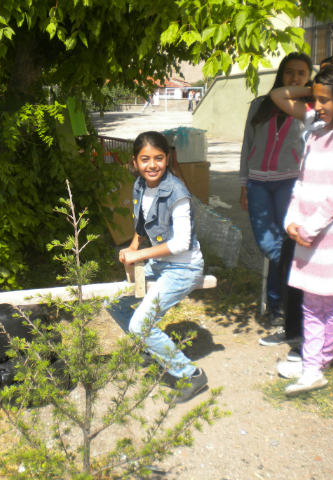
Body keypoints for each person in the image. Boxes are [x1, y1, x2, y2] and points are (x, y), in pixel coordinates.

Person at [269, 61, 333, 395]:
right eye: (316, 99)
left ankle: (321, 361)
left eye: (325, 100)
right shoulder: (315, 134)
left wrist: (309, 228)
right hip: (305, 235)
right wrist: (290, 222)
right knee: (311, 305)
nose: (318, 106)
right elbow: (301, 184)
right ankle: (312, 369)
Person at [105, 131, 208, 404]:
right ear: (135, 162)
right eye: (145, 159)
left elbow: (182, 243)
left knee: (140, 324)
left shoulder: (177, 192)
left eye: (159, 158)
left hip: (183, 268)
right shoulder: (140, 185)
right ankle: (151, 348)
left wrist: (143, 254)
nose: (152, 165)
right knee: (113, 303)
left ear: (168, 159)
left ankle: (191, 374)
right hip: (159, 263)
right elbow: (141, 224)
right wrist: (133, 247)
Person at [240, 52, 313, 327]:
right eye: (290, 72)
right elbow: (247, 143)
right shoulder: (261, 104)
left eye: (302, 74)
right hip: (258, 182)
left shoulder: (311, 110)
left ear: (309, 78)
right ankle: (294, 286)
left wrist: (309, 92)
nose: (295, 77)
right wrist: (243, 183)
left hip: (290, 182)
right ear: (281, 74)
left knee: (285, 241)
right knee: (269, 244)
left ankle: (276, 305)